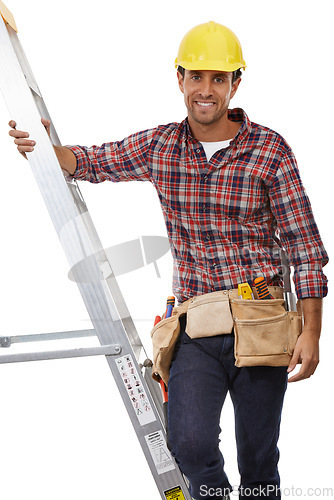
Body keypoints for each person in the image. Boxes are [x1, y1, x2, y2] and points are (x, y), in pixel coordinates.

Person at [9, 21, 328, 500]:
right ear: (179, 79)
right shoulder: (162, 147)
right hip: (197, 326)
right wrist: (40, 145)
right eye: (196, 77)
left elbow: (305, 247)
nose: (206, 90)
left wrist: (311, 332)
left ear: (235, 84)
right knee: (188, 443)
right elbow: (94, 161)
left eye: (218, 79)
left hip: (262, 321)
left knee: (259, 460)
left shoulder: (269, 150)